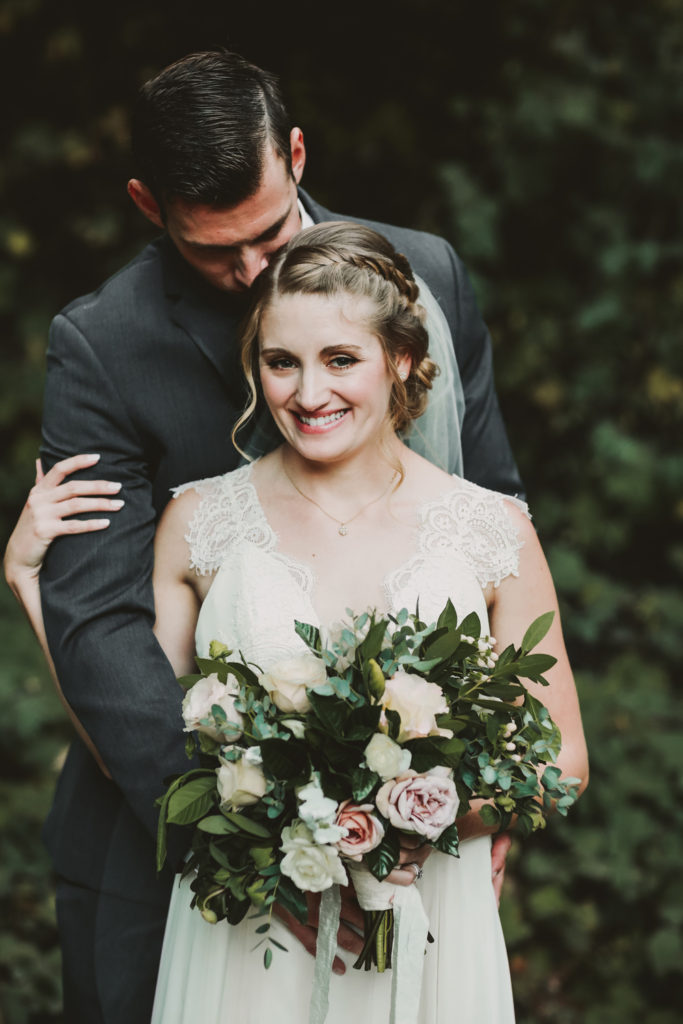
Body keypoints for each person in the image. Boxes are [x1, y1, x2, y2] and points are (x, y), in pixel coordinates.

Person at [8, 50, 525, 1024]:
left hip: (411, 854)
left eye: (264, 234)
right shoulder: (102, 346)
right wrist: (257, 836)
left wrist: (473, 787)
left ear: (294, 154)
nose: (252, 275)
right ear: (144, 202)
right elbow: (104, 626)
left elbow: (495, 530)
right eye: (213, 253)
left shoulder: (427, 279)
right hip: (168, 844)